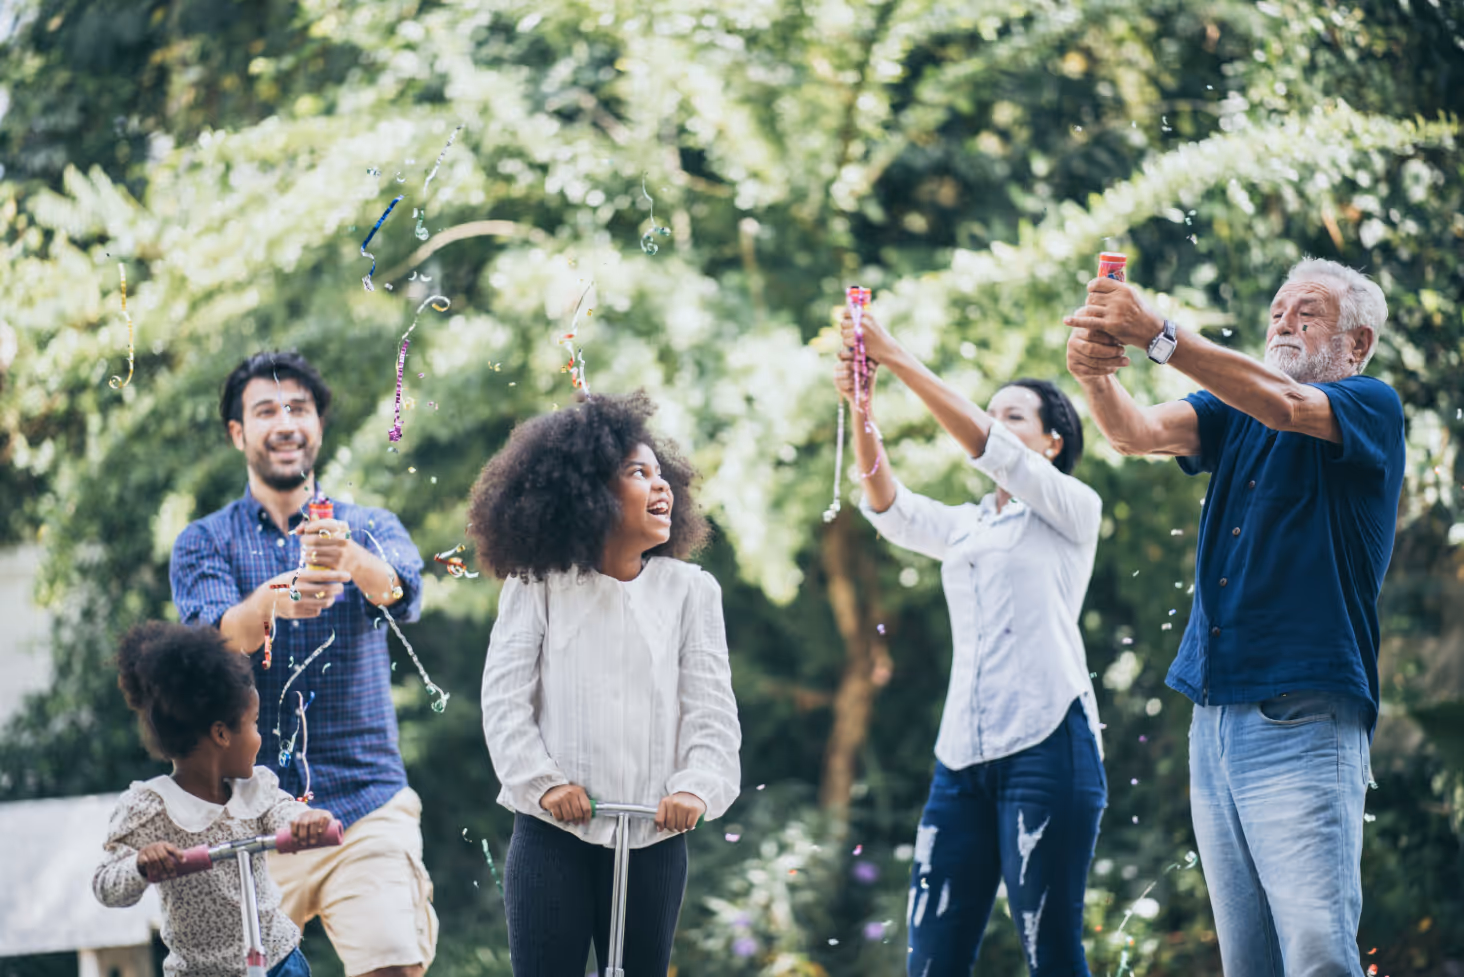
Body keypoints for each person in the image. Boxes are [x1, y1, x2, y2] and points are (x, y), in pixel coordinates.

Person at [1064, 257, 1403, 977]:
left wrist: (1158, 334)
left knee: (1317, 955)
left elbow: (1285, 405)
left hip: (1304, 713)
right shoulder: (1236, 412)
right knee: (1248, 962)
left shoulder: (1371, 404)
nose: (1282, 320)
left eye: (1306, 312)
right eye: (1278, 309)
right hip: (1214, 718)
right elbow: (1134, 432)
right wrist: (1097, 371)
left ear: (1358, 342)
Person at [836, 307, 1107, 976]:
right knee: (930, 958)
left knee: (1051, 951)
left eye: (1013, 415)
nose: (994, 422)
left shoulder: (1074, 509)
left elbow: (986, 446)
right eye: (994, 410)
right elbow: (888, 506)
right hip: (960, 761)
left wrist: (895, 355)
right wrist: (861, 404)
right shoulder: (966, 527)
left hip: (1051, 744)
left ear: (1050, 442)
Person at [169, 351, 436, 977]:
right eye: (266, 411)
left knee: (394, 964)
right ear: (239, 433)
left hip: (365, 804)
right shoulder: (204, 541)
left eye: (300, 409)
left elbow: (404, 591)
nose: (285, 423)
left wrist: (351, 560)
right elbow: (211, 646)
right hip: (243, 812)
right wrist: (271, 601)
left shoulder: (367, 525)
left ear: (318, 426)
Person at [472, 391, 742, 977]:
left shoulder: (693, 592)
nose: (661, 485)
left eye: (661, 473)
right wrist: (543, 784)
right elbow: (504, 702)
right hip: (553, 835)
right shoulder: (538, 585)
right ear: (586, 491)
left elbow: (712, 712)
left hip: (654, 833)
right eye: (637, 473)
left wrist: (696, 788)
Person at [94, 621, 335, 977]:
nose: (259, 737)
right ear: (221, 734)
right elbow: (106, 884)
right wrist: (142, 864)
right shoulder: (151, 808)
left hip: (278, 961)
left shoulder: (255, 789)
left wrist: (304, 822)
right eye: (253, 724)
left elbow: (286, 811)